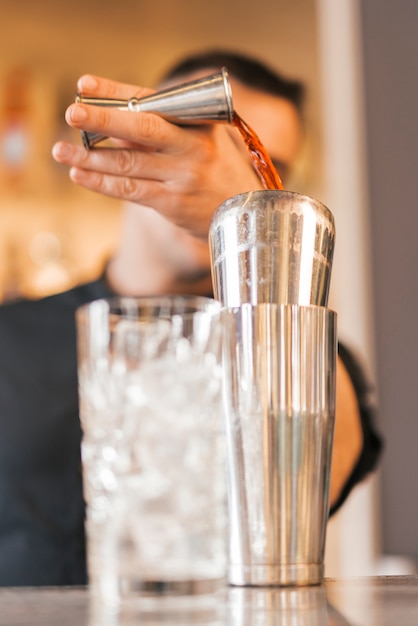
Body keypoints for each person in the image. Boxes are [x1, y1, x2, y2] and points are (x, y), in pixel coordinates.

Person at [0, 50, 381, 587]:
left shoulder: (302, 351)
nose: (218, 176)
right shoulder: (9, 337)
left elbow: (315, 485)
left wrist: (247, 220)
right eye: (200, 146)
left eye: (264, 168)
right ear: (138, 137)